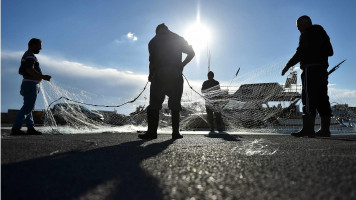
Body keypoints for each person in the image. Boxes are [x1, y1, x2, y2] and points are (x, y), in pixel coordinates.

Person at [138, 23, 195, 139]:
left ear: (157, 31)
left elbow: (152, 61)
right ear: (167, 29)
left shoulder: (153, 41)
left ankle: (152, 132)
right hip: (175, 73)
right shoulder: (178, 38)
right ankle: (175, 133)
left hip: (159, 74)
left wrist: (150, 75)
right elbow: (192, 53)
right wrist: (182, 65)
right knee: (175, 104)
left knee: (154, 103)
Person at [282, 15, 333, 137]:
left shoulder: (307, 34)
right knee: (322, 98)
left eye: (299, 26)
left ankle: (308, 129)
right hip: (322, 70)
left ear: (306, 23)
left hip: (310, 69)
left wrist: (288, 65)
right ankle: (325, 130)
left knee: (308, 97)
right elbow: (330, 52)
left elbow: (300, 53)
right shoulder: (322, 33)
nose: (298, 29)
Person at [11, 38, 52, 135]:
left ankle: (30, 128)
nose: (40, 48)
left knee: (29, 107)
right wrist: (42, 76)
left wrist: (33, 76)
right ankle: (16, 128)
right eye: (39, 46)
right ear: (32, 45)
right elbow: (29, 69)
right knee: (28, 107)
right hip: (30, 84)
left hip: (27, 83)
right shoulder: (30, 55)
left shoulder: (27, 55)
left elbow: (21, 71)